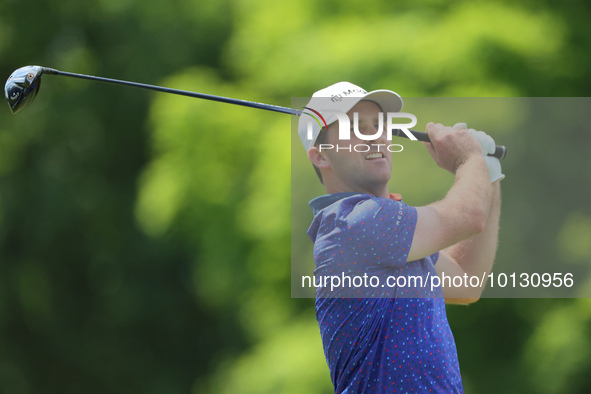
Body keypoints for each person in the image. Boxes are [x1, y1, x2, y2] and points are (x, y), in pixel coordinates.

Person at [298, 82, 503, 393]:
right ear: (321, 156)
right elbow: (469, 216)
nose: (374, 136)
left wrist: (489, 173)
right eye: (355, 128)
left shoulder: (392, 232)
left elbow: (466, 282)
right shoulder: (354, 222)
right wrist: (469, 159)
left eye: (378, 125)